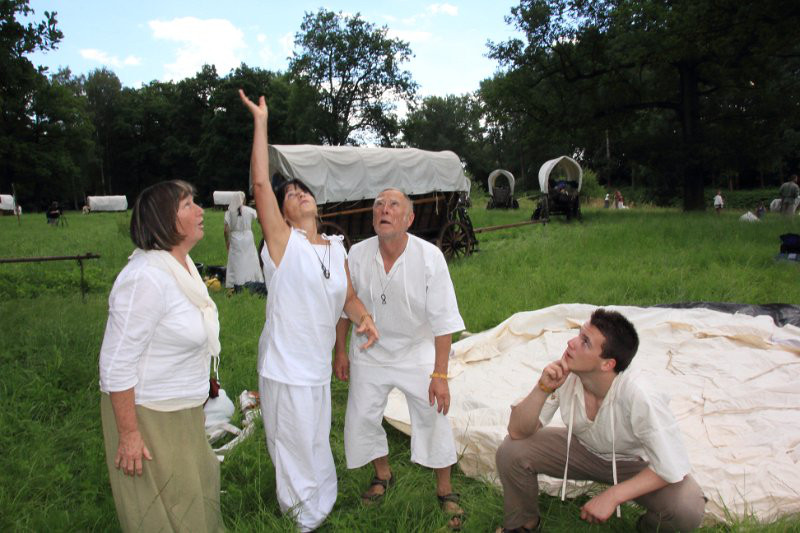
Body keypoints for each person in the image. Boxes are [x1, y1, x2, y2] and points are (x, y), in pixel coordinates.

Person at [239, 89, 379, 533]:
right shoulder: (283, 244)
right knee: (292, 443)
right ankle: (301, 518)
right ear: (281, 213)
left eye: (303, 190)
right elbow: (260, 186)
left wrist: (363, 317)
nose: (298, 194)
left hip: (315, 367)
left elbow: (347, 298)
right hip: (285, 365)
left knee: (316, 438)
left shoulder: (336, 247)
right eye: (290, 194)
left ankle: (322, 501)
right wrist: (261, 123)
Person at [495, 309, 704, 532]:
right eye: (579, 334)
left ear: (607, 364)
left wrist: (613, 495)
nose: (571, 343)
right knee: (512, 450)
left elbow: (672, 464)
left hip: (633, 463)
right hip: (580, 450)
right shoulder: (566, 371)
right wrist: (542, 388)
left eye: (585, 342)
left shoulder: (640, 394)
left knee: (687, 506)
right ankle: (522, 525)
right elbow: (517, 431)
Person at [333, 189, 466, 529]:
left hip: (416, 349)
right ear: (372, 217)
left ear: (409, 219)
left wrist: (440, 375)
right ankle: (383, 474)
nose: (384, 209)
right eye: (379, 205)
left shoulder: (429, 257)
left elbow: (444, 321)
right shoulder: (358, 254)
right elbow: (346, 306)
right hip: (369, 350)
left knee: (433, 415)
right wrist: (340, 351)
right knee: (362, 416)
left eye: (393, 205)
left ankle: (445, 490)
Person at [98, 180, 224, 532]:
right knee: (162, 510)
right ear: (164, 220)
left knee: (194, 495)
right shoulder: (145, 278)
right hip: (148, 414)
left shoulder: (180, 266)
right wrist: (129, 434)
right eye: (187, 205)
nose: (200, 210)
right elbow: (115, 364)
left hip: (182, 408)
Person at [223, 191, 264, 289]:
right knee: (250, 258)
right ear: (244, 200)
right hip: (248, 236)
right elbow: (260, 219)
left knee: (236, 260)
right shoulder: (249, 210)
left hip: (235, 237)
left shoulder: (229, 212)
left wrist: (227, 242)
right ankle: (253, 279)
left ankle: (236, 282)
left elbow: (225, 230)